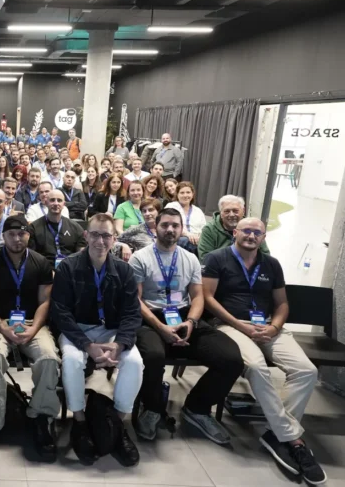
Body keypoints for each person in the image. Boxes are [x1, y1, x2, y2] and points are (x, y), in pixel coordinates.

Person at [202, 218, 325, 485]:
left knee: (306, 370)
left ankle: (276, 432)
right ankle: (293, 439)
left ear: (263, 237)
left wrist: (274, 326)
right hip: (230, 325)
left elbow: (281, 304)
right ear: (235, 232)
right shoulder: (217, 258)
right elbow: (208, 298)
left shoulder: (271, 264)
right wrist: (240, 326)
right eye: (246, 230)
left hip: (268, 326)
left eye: (257, 232)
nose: (251, 235)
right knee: (256, 367)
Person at [129, 208, 243, 445]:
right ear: (156, 227)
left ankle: (197, 408)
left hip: (184, 316)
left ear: (181, 229)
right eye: (165, 225)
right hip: (150, 318)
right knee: (153, 356)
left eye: (175, 225)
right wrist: (160, 327)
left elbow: (198, 297)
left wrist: (191, 322)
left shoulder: (190, 258)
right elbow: (135, 300)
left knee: (231, 358)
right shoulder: (140, 257)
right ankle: (151, 409)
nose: (170, 230)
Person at [50, 213, 142, 466]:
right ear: (86, 235)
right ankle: (79, 421)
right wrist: (87, 345)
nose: (100, 241)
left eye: (106, 235)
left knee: (134, 362)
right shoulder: (68, 267)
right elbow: (60, 312)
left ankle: (117, 425)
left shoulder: (124, 270)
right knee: (70, 361)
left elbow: (132, 312)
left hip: (112, 332)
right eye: (95, 234)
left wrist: (120, 344)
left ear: (114, 239)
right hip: (78, 330)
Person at [0, 215, 58, 459]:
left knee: (48, 358)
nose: (16, 238)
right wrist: (2, 328)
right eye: (11, 233)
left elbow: (45, 301)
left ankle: (40, 417)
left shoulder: (41, 262)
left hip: (32, 323)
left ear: (28, 236)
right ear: (3, 236)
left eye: (21, 233)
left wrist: (33, 330)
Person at [198, 195, 270, 260]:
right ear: (221, 213)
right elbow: (205, 258)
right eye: (227, 211)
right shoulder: (209, 230)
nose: (231, 214)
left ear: (243, 211)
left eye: (235, 211)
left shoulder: (254, 228)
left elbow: (266, 256)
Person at [28, 189, 86, 268]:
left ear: (64, 204)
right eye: (52, 200)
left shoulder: (75, 227)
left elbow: (81, 253)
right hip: (43, 271)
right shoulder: (34, 227)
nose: (56, 203)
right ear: (46, 203)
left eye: (59, 200)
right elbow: (31, 257)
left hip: (70, 270)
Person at [166, 181, 206, 252]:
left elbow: (204, 228)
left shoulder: (198, 211)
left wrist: (199, 237)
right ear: (177, 194)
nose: (185, 195)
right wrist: (188, 234)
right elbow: (170, 226)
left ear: (192, 194)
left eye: (188, 192)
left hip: (197, 240)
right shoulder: (171, 206)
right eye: (182, 193)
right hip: (177, 238)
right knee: (187, 241)